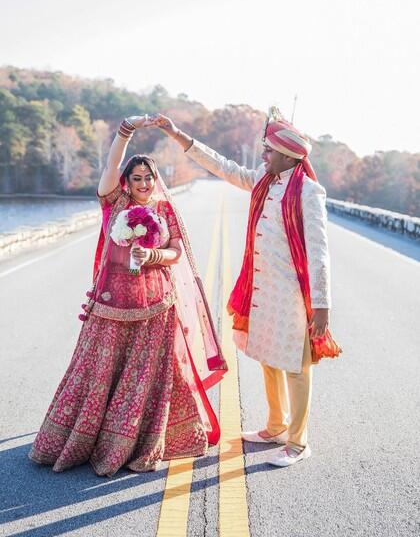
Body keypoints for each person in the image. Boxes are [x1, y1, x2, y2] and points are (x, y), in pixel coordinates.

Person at [29, 116, 227, 476]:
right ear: (126, 181)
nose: (144, 184)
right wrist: (126, 130)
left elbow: (176, 251)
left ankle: (135, 440)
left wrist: (152, 255)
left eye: (149, 178)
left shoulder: (164, 209)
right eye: (137, 178)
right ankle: (87, 439)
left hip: (155, 305)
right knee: (98, 370)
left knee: (146, 376)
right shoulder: (114, 202)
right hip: (112, 302)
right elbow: (110, 165)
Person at [150, 112, 340, 467]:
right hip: (262, 291)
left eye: (268, 151)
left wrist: (322, 306)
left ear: (287, 155)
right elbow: (223, 167)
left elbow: (319, 252)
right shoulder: (262, 182)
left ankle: (298, 442)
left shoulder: (309, 192)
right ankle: (275, 425)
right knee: (269, 357)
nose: (263, 156)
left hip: (293, 295)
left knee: (297, 367)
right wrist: (178, 135)